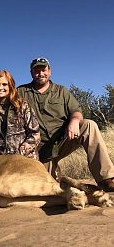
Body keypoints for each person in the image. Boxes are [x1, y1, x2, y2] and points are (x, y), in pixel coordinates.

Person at [17, 57, 114, 192]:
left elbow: (76, 112)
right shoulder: (20, 92)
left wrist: (74, 121)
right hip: (36, 151)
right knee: (47, 187)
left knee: (89, 125)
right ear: (31, 73)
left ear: (49, 71)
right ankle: (56, 172)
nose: (40, 73)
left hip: (62, 142)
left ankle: (106, 179)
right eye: (36, 70)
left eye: (43, 70)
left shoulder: (62, 91)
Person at [0, 70, 40, 160]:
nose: (0, 88)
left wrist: (20, 153)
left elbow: (35, 134)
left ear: (10, 86)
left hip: (24, 160)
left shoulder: (22, 105)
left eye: (4, 84)